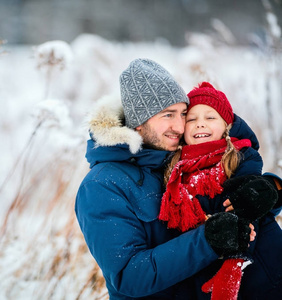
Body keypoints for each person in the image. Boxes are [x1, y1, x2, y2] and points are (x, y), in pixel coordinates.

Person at [75, 58, 282, 299]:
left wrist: (270, 190)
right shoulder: (102, 185)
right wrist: (208, 239)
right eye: (168, 114)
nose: (180, 125)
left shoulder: (178, 156)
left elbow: (231, 148)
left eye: (184, 114)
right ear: (138, 122)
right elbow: (128, 276)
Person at [158, 81, 277, 299]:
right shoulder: (174, 169)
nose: (200, 124)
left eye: (210, 118)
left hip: (261, 267)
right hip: (203, 267)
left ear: (226, 126)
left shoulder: (241, 157)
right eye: (192, 119)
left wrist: (232, 266)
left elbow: (247, 214)